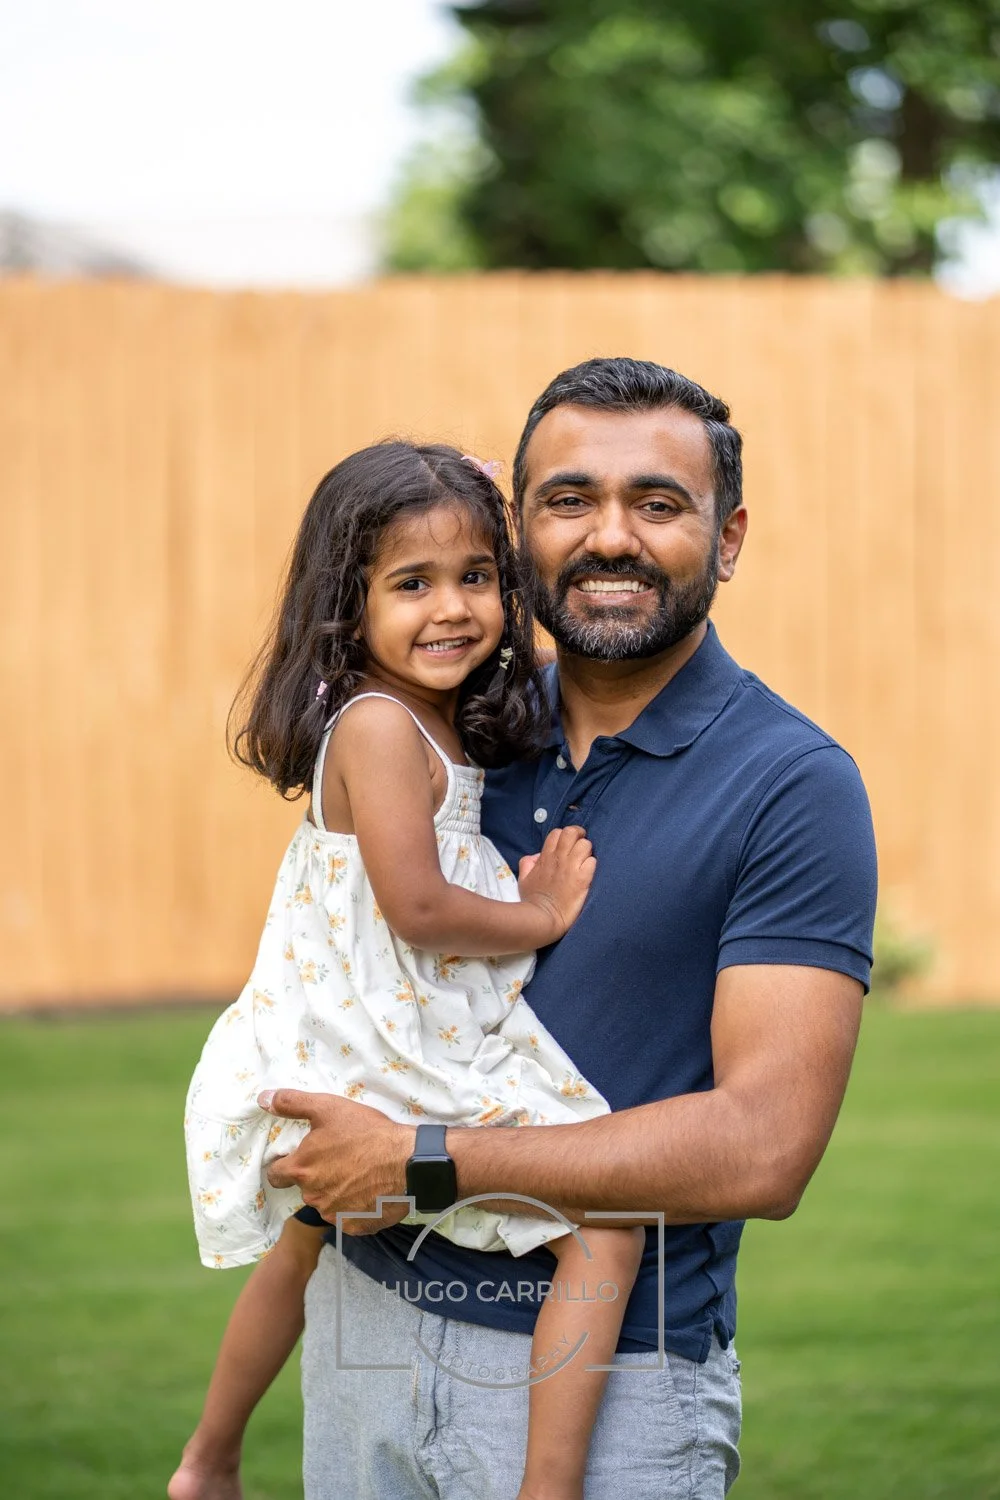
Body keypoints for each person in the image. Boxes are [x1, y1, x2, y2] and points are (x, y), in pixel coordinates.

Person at [258, 357, 879, 1499]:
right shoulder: (445, 732)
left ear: (727, 537)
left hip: (619, 1371)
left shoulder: (791, 783)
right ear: (519, 529)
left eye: (656, 503)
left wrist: (425, 1162)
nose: (610, 537)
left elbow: (766, 1146)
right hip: (365, 1330)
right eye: (568, 500)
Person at [170, 440, 646, 1500]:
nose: (453, 609)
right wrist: (539, 911)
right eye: (412, 583)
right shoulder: (383, 726)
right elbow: (419, 908)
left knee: (306, 1239)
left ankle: (207, 1459)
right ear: (347, 607)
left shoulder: (426, 720)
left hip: (368, 1028)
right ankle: (550, 1486)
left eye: (477, 577)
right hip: (388, 1037)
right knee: (608, 1219)